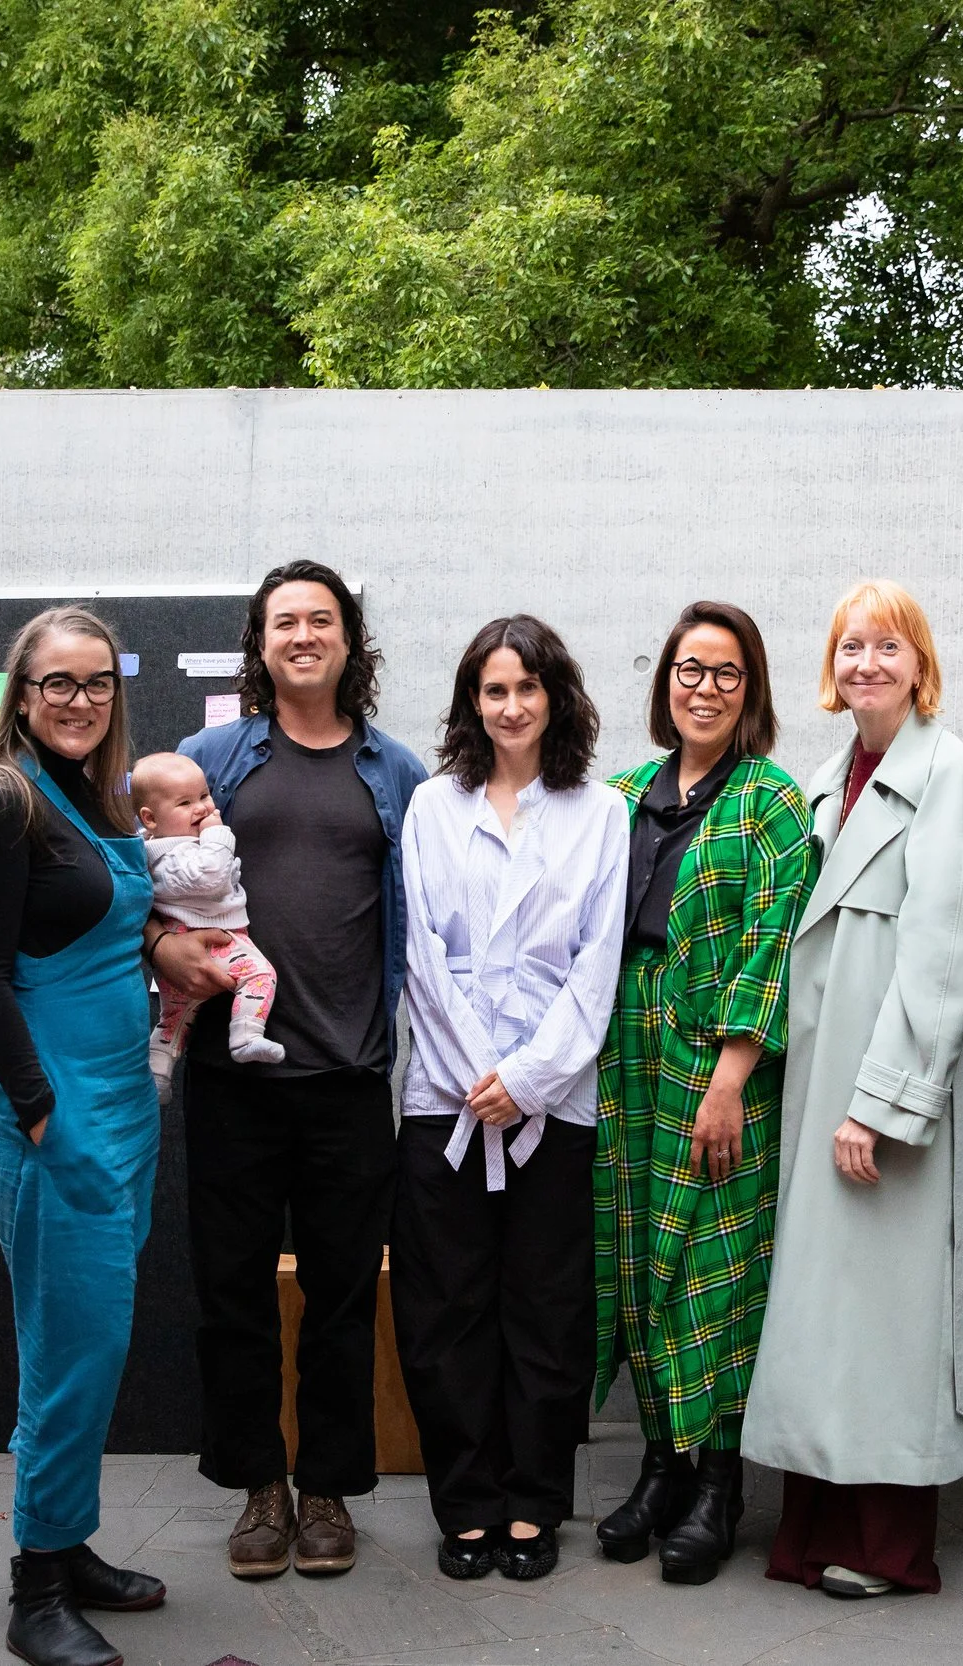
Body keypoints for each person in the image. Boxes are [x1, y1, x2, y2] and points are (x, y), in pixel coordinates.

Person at [158, 560, 427, 1582]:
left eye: (322, 619)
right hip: (234, 1078)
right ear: (259, 643)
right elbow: (145, 876)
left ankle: (326, 1490)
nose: (303, 634)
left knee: (343, 1299)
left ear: (350, 641)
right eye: (285, 621)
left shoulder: (392, 769)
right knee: (230, 1297)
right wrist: (155, 952)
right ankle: (256, 1487)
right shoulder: (211, 757)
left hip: (349, 1080)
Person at [741, 580, 963, 1601]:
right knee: (827, 1315)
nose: (866, 663)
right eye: (850, 647)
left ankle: (890, 1546)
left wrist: (881, 1102)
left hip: (889, 1091)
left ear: (920, 664)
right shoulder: (816, 781)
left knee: (887, 1319)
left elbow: (945, 950)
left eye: (887, 646)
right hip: (818, 1084)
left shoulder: (947, 772)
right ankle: (810, 1531)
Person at [0, 606, 169, 1666]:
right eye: (58, 684)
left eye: (97, 684)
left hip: (125, 1109)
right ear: (21, 695)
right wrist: (41, 1112)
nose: (80, 702)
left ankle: (68, 1542)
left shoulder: (94, 795)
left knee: (95, 1339)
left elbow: (118, 927)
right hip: (56, 1116)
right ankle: (36, 1589)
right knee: (68, 1350)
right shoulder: (0, 801)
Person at [391, 615, 629, 1585]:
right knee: (445, 1309)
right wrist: (476, 1077)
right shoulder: (430, 808)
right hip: (444, 1100)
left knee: (546, 1308)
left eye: (527, 688)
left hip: (552, 1104)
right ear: (471, 703)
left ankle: (534, 1501)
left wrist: (526, 1082)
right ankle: (468, 1503)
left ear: (555, 696)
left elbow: (595, 967)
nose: (511, 705)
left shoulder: (599, 811)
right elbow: (421, 958)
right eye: (493, 690)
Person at [593, 600, 815, 1586]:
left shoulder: (771, 800)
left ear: (750, 689)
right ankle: (658, 1468)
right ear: (664, 680)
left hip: (715, 1058)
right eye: (690, 668)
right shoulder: (623, 790)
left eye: (727, 672)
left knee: (717, 1263)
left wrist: (732, 1075)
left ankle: (718, 1482)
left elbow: (774, 948)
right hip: (623, 1052)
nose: (705, 687)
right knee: (638, 1251)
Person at [131, 751, 282, 1097]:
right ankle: (246, 1034)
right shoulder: (172, 853)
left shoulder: (169, 849)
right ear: (150, 819)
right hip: (208, 941)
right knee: (260, 975)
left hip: (179, 946)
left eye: (203, 795)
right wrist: (218, 836)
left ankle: (156, 1076)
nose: (201, 808)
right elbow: (213, 877)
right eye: (184, 803)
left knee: (174, 1019)